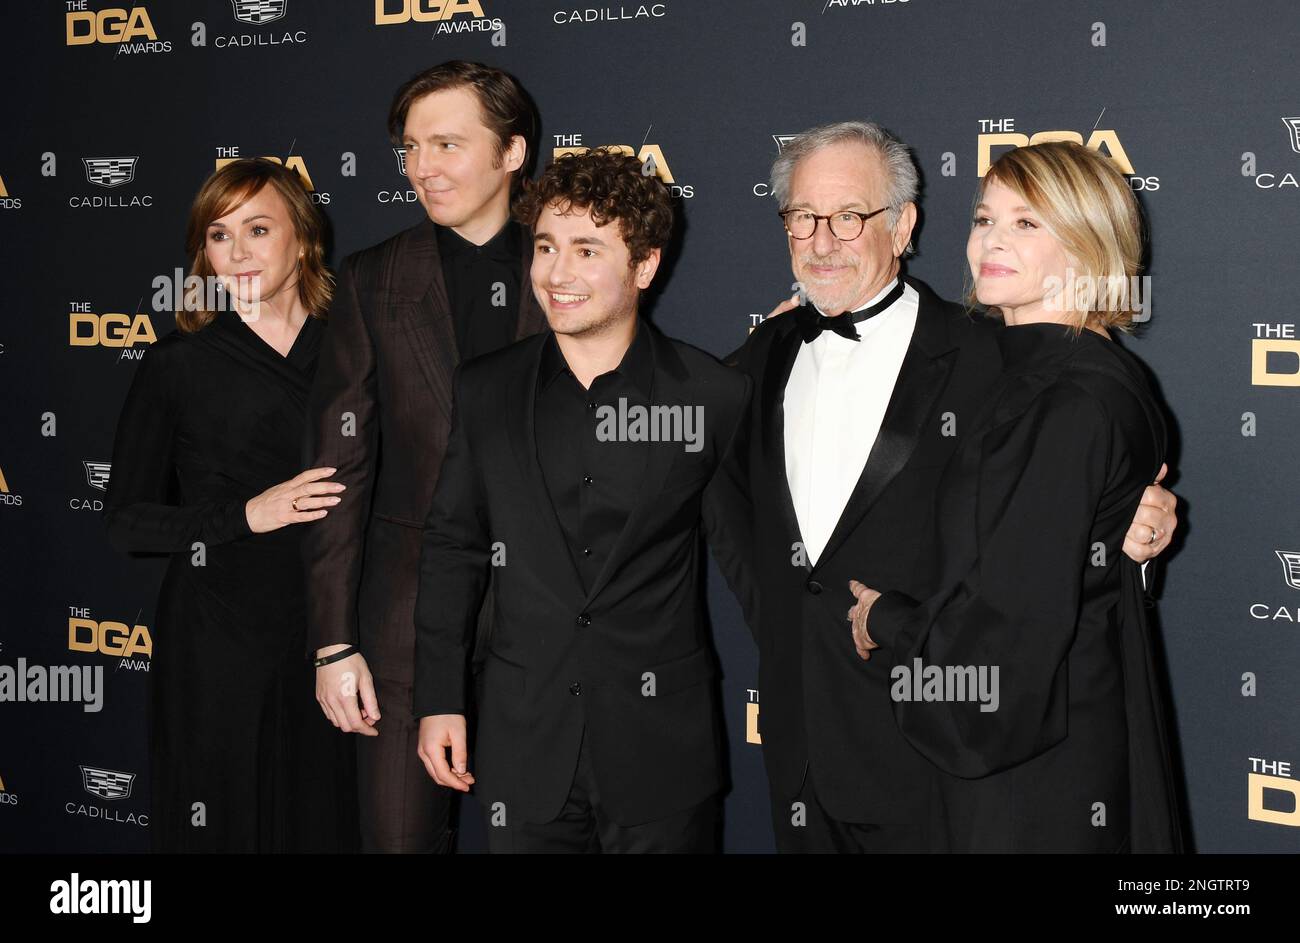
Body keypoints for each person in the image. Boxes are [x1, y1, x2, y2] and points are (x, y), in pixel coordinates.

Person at [719, 122, 1179, 852]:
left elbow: (1044, 532)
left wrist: (1128, 534)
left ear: (903, 225)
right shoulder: (760, 354)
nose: (821, 239)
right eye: (801, 216)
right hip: (800, 743)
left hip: (940, 752)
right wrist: (773, 610)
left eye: (848, 216)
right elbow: (704, 487)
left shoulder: (994, 354)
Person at [413, 149, 752, 853]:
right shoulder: (486, 389)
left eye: (587, 250)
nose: (556, 274)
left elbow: (751, 561)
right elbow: (453, 548)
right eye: (545, 247)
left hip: (663, 750)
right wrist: (440, 697)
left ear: (645, 266)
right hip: (523, 742)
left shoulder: (711, 396)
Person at [848, 141, 1184, 852]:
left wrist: (889, 621)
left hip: (1028, 771)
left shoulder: (1067, 399)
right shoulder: (1051, 372)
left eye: (1027, 223)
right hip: (1058, 733)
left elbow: (1004, 636)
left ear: (1089, 242)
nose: (991, 239)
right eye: (983, 217)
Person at [302, 61, 547, 853]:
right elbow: (340, 473)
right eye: (411, 147)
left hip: (547, 631)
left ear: (512, 152)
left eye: (446, 143)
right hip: (403, 625)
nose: (422, 168)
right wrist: (335, 641)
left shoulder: (573, 265)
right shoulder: (372, 281)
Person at [103, 158, 357, 853]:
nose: (237, 252)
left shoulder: (352, 349)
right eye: (219, 235)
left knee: (322, 822)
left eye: (258, 228)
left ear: (302, 239)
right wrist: (248, 513)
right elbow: (126, 520)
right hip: (216, 643)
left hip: (332, 635)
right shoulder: (178, 362)